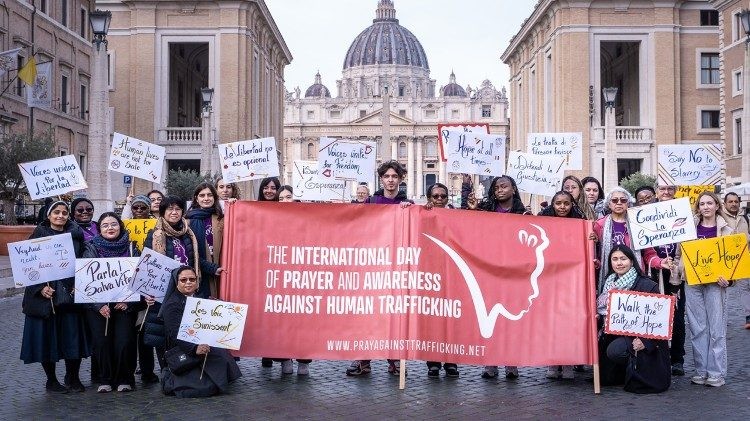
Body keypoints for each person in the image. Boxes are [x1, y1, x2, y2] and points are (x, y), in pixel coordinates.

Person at [347, 161, 413, 377]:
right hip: (373, 264)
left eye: (395, 176)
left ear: (400, 179)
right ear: (382, 179)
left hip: (397, 267)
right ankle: (362, 361)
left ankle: (394, 361)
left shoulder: (408, 204)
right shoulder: (370, 202)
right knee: (368, 316)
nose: (391, 180)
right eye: (387, 176)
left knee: (394, 316)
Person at [676, 191, 746, 387]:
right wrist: (676, 276)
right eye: (702, 204)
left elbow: (735, 261)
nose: (706, 207)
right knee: (697, 328)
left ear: (717, 206)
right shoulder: (689, 230)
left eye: (709, 203)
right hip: (692, 282)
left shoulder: (728, 231)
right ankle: (701, 370)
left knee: (716, 327)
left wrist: (729, 280)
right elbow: (678, 255)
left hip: (716, 284)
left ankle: (716, 372)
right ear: (698, 207)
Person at [20, 201, 90, 393]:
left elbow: (85, 260)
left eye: (64, 212)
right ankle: (51, 380)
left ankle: (73, 377)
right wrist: (40, 288)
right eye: (56, 212)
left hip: (70, 295)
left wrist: (80, 282)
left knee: (72, 337)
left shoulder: (76, 236)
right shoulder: (37, 236)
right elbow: (27, 267)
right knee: (47, 339)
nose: (60, 216)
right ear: (48, 215)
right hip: (45, 299)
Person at [467, 175, 527, 380]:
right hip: (489, 272)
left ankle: (511, 363)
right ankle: (490, 362)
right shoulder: (484, 210)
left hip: (514, 274)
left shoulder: (524, 213)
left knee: (510, 320)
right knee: (489, 318)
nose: (500, 190)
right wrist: (473, 211)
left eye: (504, 186)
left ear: (513, 189)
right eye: (496, 187)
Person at [141, 196, 202, 384]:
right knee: (164, 333)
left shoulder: (189, 233)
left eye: (178, 209)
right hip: (164, 291)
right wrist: (147, 292)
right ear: (163, 212)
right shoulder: (155, 234)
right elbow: (147, 265)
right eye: (169, 209)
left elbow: (193, 260)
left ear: (183, 212)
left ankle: (185, 370)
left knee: (187, 331)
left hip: (188, 289)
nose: (174, 212)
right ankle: (167, 370)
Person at [597, 245, 671, 393]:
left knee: (615, 351)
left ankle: (637, 369)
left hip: (641, 339)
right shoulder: (608, 284)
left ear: (632, 261)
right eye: (615, 259)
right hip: (616, 334)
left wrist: (646, 342)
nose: (619, 263)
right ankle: (621, 372)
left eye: (623, 259)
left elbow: (660, 320)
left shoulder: (647, 285)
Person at [82, 212, 142, 393]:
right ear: (99, 229)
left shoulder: (132, 248)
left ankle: (125, 378)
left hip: (124, 306)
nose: (110, 228)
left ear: (120, 226)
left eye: (114, 224)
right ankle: (105, 379)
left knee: (124, 342)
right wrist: (98, 305)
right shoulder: (90, 248)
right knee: (102, 343)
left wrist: (130, 303)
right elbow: (85, 281)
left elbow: (141, 278)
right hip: (100, 308)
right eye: (105, 225)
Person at [160, 266, 241, 397]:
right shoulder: (172, 305)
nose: (188, 282)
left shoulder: (199, 298)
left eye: (192, 279)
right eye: (183, 280)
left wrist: (217, 308)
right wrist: (194, 348)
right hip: (183, 347)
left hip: (199, 342)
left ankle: (216, 381)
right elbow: (175, 334)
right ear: (177, 282)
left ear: (197, 281)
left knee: (221, 353)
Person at [538, 191, 585, 380]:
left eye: (566, 203)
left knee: (568, 322)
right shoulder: (544, 222)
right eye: (558, 203)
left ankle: (567, 362)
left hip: (571, 279)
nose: (563, 207)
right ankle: (552, 361)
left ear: (572, 205)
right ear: (553, 205)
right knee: (551, 322)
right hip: (549, 279)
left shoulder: (580, 223)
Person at [592, 187, 672, 292]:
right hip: (609, 277)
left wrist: (660, 262)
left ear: (628, 203)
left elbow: (648, 253)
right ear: (609, 204)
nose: (619, 203)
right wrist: (596, 262)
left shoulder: (638, 223)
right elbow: (596, 254)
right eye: (615, 200)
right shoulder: (599, 225)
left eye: (623, 200)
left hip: (635, 279)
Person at [649, 184, 686, 376]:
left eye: (670, 189)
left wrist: (676, 268)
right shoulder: (648, 213)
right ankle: (657, 357)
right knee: (654, 316)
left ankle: (677, 358)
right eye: (662, 189)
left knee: (677, 316)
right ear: (657, 191)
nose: (666, 192)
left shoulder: (684, 212)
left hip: (676, 273)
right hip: (654, 271)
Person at [423, 183, 459, 378]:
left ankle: (451, 361)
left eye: (442, 196)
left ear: (447, 198)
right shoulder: (423, 214)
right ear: (429, 198)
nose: (439, 200)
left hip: (452, 273)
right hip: (431, 273)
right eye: (435, 196)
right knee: (433, 319)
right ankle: (433, 361)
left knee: (452, 319)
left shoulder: (457, 216)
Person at [186, 183, 226, 299]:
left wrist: (234, 204)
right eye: (202, 195)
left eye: (209, 195)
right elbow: (190, 253)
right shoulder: (187, 222)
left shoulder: (223, 219)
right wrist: (211, 268)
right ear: (196, 199)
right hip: (200, 275)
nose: (206, 198)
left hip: (223, 273)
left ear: (215, 197)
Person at [722, 192, 750, 329]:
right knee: (722, 290)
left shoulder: (744, 217)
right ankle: (721, 319)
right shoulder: (719, 217)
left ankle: (749, 317)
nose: (733, 204)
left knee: (745, 288)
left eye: (736, 202)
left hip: (744, 259)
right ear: (725, 203)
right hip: (725, 261)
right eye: (730, 202)